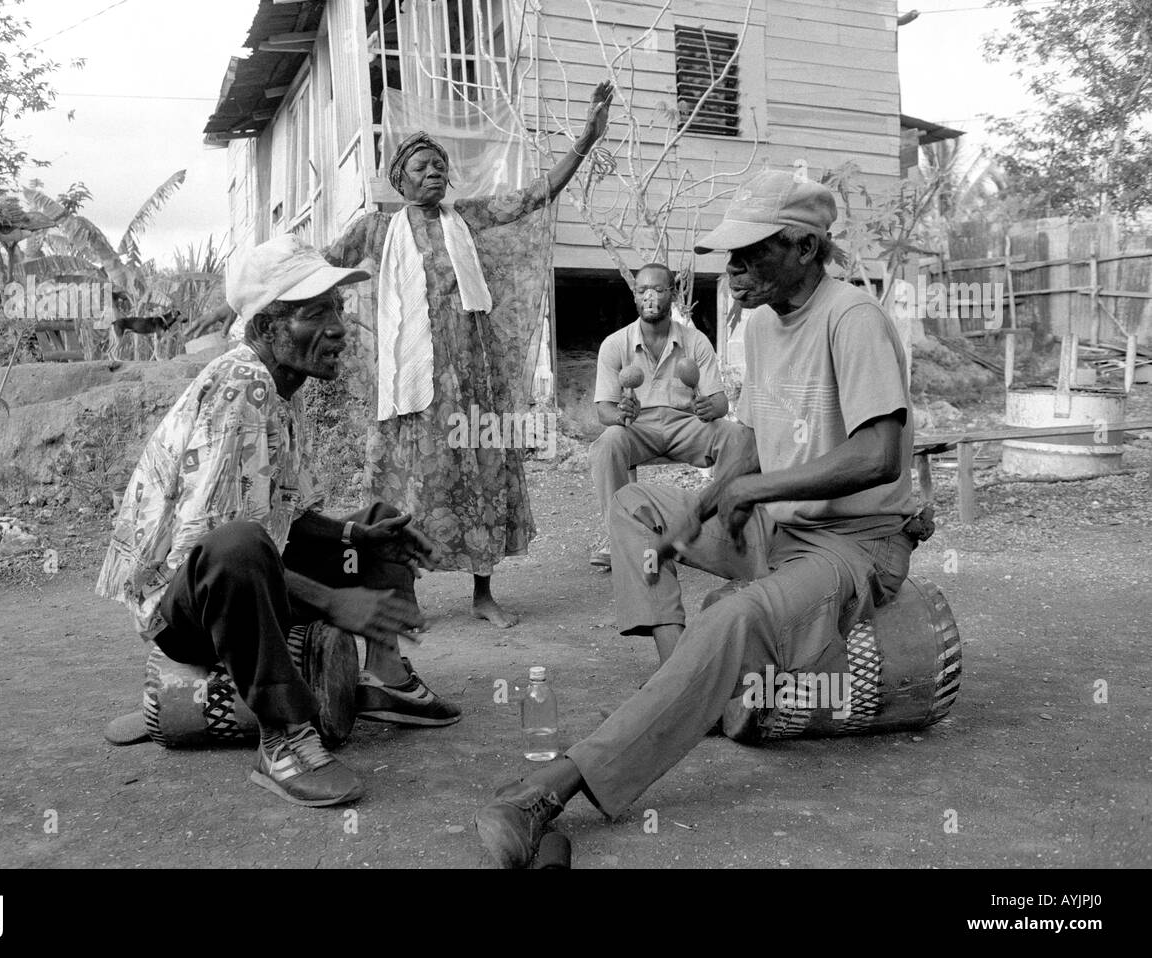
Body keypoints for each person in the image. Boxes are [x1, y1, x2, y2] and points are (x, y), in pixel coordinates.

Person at [474, 169, 929, 867]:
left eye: (752, 253)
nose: (734, 269)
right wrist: (721, 486)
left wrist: (759, 489)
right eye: (729, 256)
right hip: (780, 526)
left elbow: (880, 454)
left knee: (730, 618)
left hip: (853, 544)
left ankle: (550, 790)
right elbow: (748, 429)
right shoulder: (760, 323)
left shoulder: (852, 317)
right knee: (634, 507)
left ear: (806, 248)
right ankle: (687, 680)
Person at [96, 235, 461, 809]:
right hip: (184, 609)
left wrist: (355, 539)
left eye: (337, 309)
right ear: (266, 328)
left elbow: (288, 516)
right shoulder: (239, 385)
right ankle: (284, 737)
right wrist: (333, 602)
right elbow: (213, 552)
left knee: (377, 521)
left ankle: (385, 680)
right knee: (239, 547)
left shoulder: (282, 388)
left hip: (235, 574)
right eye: (315, 313)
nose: (338, 326)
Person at [323, 81, 614, 628]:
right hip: (412, 385)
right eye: (421, 167)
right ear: (398, 179)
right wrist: (250, 296)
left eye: (440, 166)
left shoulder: (468, 219)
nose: (433, 173)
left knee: (481, 474)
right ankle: (404, 596)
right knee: (410, 483)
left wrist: (586, 140)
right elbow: (320, 265)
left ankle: (483, 594)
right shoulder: (377, 228)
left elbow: (536, 195)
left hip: (473, 376)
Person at [588, 262, 729, 569]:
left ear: (673, 294)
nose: (649, 297)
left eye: (658, 289)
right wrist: (620, 415)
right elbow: (603, 411)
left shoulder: (696, 342)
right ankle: (621, 537)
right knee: (608, 442)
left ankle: (733, 532)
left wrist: (709, 408)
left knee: (737, 438)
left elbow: (720, 404)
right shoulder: (615, 344)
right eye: (642, 291)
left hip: (687, 426)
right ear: (634, 296)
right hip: (639, 429)